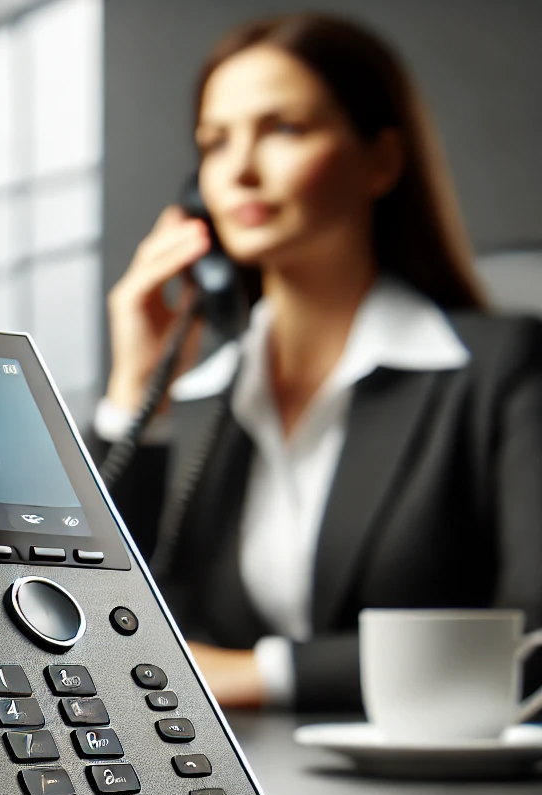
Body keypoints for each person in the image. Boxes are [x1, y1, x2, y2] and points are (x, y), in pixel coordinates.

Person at [93, 12, 542, 713]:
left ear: (382, 161)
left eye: (285, 130)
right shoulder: (205, 402)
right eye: (214, 143)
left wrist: (260, 676)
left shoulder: (502, 369)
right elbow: (98, 622)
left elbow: (531, 634)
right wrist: (136, 391)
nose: (239, 171)